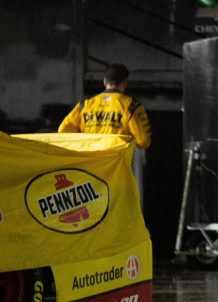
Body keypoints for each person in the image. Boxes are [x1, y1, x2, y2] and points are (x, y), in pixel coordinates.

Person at [58, 62, 151, 202]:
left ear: (104, 81)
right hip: (117, 174)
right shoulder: (131, 106)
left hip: (89, 172)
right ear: (125, 82)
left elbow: (62, 131)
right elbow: (143, 141)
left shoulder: (85, 105)